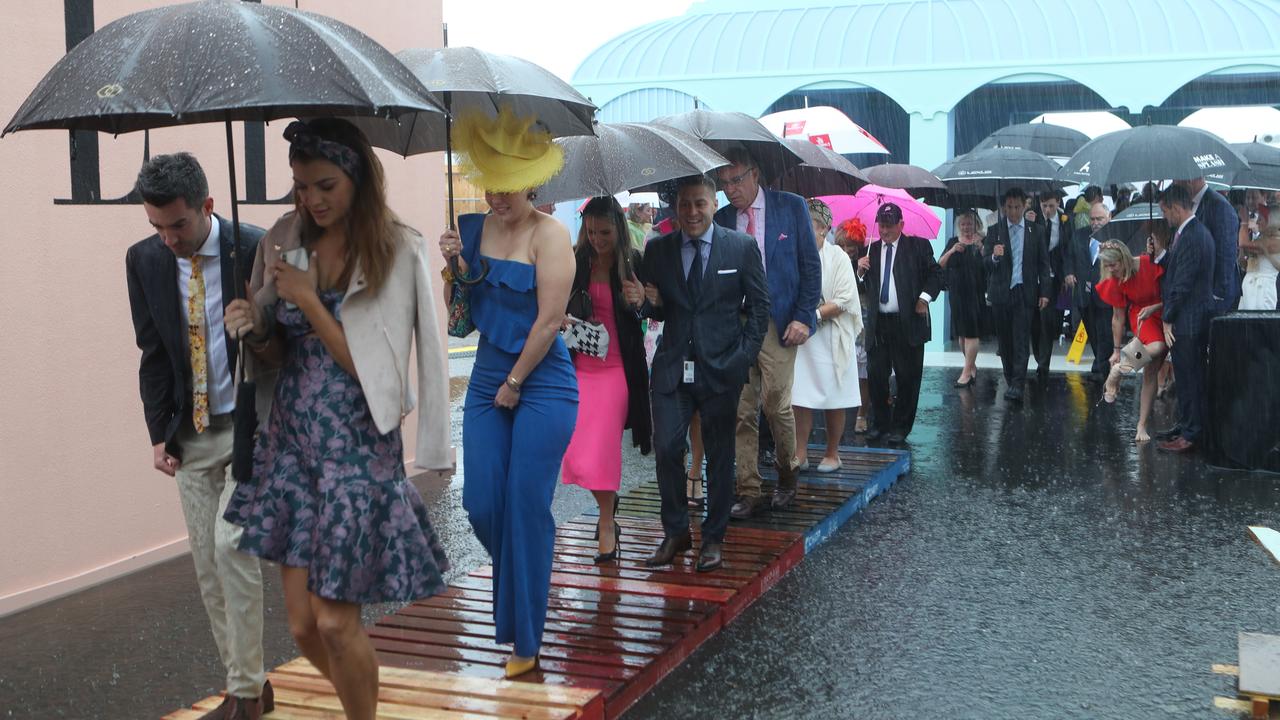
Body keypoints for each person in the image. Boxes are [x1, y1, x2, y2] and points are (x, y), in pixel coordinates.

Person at [222, 120, 451, 719]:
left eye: (325, 184)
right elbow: (274, 353)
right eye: (300, 187)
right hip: (291, 443)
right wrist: (256, 325)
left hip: (357, 448)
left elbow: (380, 370)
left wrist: (304, 300)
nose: (311, 200)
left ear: (357, 177)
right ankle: (363, 701)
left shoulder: (398, 247)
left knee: (336, 620)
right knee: (302, 628)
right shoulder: (279, 241)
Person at [125, 153, 270, 720]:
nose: (167, 238)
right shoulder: (143, 261)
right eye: (156, 226)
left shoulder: (253, 248)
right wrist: (158, 430)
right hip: (191, 431)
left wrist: (255, 325)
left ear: (207, 206)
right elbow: (152, 350)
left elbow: (291, 341)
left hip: (251, 427)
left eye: (177, 225)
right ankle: (251, 683)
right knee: (208, 566)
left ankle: (245, 695)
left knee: (232, 547)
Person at [437, 108, 578, 677]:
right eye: (489, 183)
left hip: (542, 378)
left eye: (509, 186)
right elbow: (460, 322)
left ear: (533, 182)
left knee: (524, 502)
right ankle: (525, 573)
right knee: (482, 503)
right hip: (489, 373)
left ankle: (526, 639)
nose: (497, 196)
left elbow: (550, 322)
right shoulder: (470, 231)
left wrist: (516, 383)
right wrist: (453, 268)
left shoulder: (552, 234)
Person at [623, 174, 769, 573]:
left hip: (722, 368)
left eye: (700, 203)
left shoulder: (740, 247)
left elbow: (759, 308)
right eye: (685, 204)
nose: (691, 212)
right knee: (668, 448)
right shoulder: (658, 248)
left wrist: (743, 357)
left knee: (720, 456)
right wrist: (643, 304)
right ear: (677, 206)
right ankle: (676, 531)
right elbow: (659, 308)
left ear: (713, 202)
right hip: (673, 367)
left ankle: (714, 538)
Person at [712, 148, 821, 517]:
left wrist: (804, 317)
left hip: (779, 321)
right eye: (724, 183)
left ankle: (788, 474)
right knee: (742, 410)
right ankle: (749, 488)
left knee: (776, 404)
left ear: (755, 175)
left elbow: (810, 264)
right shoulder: (722, 219)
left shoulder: (789, 207)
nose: (730, 190)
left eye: (736, 180)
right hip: (736, 324)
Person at [560, 197, 652, 563]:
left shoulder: (634, 263)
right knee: (579, 449)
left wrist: (640, 299)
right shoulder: (575, 261)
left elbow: (653, 308)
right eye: (591, 231)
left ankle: (606, 522)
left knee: (601, 448)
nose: (597, 238)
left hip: (618, 370)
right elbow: (553, 305)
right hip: (580, 366)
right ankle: (607, 508)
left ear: (619, 228)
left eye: (605, 232)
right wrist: (564, 316)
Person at [856, 203, 943, 443]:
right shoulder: (870, 251)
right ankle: (880, 423)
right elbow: (861, 288)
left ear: (901, 225)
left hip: (908, 321)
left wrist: (924, 298)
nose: (884, 230)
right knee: (876, 375)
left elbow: (936, 275)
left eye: (889, 226)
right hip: (879, 323)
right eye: (881, 225)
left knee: (907, 377)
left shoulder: (917, 247)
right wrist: (860, 273)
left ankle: (900, 427)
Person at [792, 198, 862, 472]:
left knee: (835, 397)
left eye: (809, 225)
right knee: (801, 397)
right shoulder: (795, 253)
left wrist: (815, 316)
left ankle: (832, 453)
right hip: (803, 339)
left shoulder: (839, 257)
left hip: (832, 336)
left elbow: (845, 298)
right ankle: (800, 452)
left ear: (823, 228)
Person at [1154, 184, 1216, 454]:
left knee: (1190, 378)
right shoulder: (1190, 233)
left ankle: (1192, 433)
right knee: (1187, 376)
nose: (1165, 217)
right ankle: (1188, 424)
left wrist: (1167, 318)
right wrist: (1160, 254)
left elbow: (1182, 283)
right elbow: (1178, 269)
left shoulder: (1192, 236)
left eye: (1166, 211)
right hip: (1190, 319)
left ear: (1176, 208)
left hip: (1189, 321)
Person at [1096, 239, 1167, 442]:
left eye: (1113, 265)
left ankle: (1141, 426)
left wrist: (1157, 307)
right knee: (1157, 346)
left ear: (1124, 258)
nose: (1110, 270)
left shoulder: (1149, 263)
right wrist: (1116, 350)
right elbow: (1117, 318)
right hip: (1142, 317)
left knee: (1152, 371)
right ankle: (1120, 368)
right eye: (1107, 266)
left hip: (1163, 310)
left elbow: (1170, 292)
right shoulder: (1114, 279)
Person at [984, 187, 1051, 403]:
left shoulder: (1036, 230)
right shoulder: (995, 231)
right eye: (1009, 207)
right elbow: (984, 264)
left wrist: (1045, 292)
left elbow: (1043, 264)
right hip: (1001, 292)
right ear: (1004, 207)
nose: (1013, 212)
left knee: (1021, 339)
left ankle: (1018, 383)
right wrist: (994, 257)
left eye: (1017, 207)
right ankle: (1010, 376)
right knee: (1005, 342)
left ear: (1025, 206)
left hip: (1025, 290)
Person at [1064, 202, 1115, 380]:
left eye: (1099, 218)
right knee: (1092, 331)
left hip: (1107, 294)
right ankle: (1100, 361)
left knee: (1105, 332)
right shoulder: (1079, 235)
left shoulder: (1115, 237)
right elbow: (1069, 256)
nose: (1095, 222)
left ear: (1109, 217)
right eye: (1093, 219)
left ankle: (1103, 368)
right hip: (1084, 293)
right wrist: (1069, 272)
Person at [1174, 177, 1241, 313]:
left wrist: (1216, 295)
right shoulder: (1189, 204)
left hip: (1216, 298)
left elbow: (1226, 253)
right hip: (1198, 294)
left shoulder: (1219, 206)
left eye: (1176, 180)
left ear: (1189, 180)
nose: (1174, 185)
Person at [939, 209, 986, 387]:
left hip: (975, 293)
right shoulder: (953, 241)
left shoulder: (983, 241)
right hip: (957, 294)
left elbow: (989, 265)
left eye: (970, 224)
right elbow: (940, 264)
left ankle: (966, 372)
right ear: (959, 226)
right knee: (961, 335)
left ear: (977, 225)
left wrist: (981, 248)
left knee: (972, 333)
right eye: (963, 224)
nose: (967, 227)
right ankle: (971, 366)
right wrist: (952, 251)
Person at [835, 217, 872, 432]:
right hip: (841, 322)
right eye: (844, 246)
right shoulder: (835, 262)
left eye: (852, 246)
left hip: (864, 323)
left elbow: (867, 290)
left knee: (863, 372)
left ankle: (862, 414)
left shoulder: (868, 259)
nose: (848, 250)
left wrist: (861, 273)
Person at [1029, 192, 1071, 379]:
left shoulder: (1065, 221)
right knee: (1034, 322)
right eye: (1044, 205)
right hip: (1035, 277)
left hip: (1054, 278)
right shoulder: (1033, 219)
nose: (1047, 210)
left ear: (1058, 203)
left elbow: (1068, 249)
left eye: (1051, 206)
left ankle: (1043, 363)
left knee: (1048, 321)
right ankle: (1039, 356)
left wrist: (1067, 273)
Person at [1238, 206, 1280, 311]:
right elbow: (1243, 264)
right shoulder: (1260, 239)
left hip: (1263, 290)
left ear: (1270, 222)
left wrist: (1244, 222)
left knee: (1261, 325)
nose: (1257, 222)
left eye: (1260, 219)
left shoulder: (1276, 241)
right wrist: (1242, 252)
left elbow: (1243, 243)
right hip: (1249, 288)